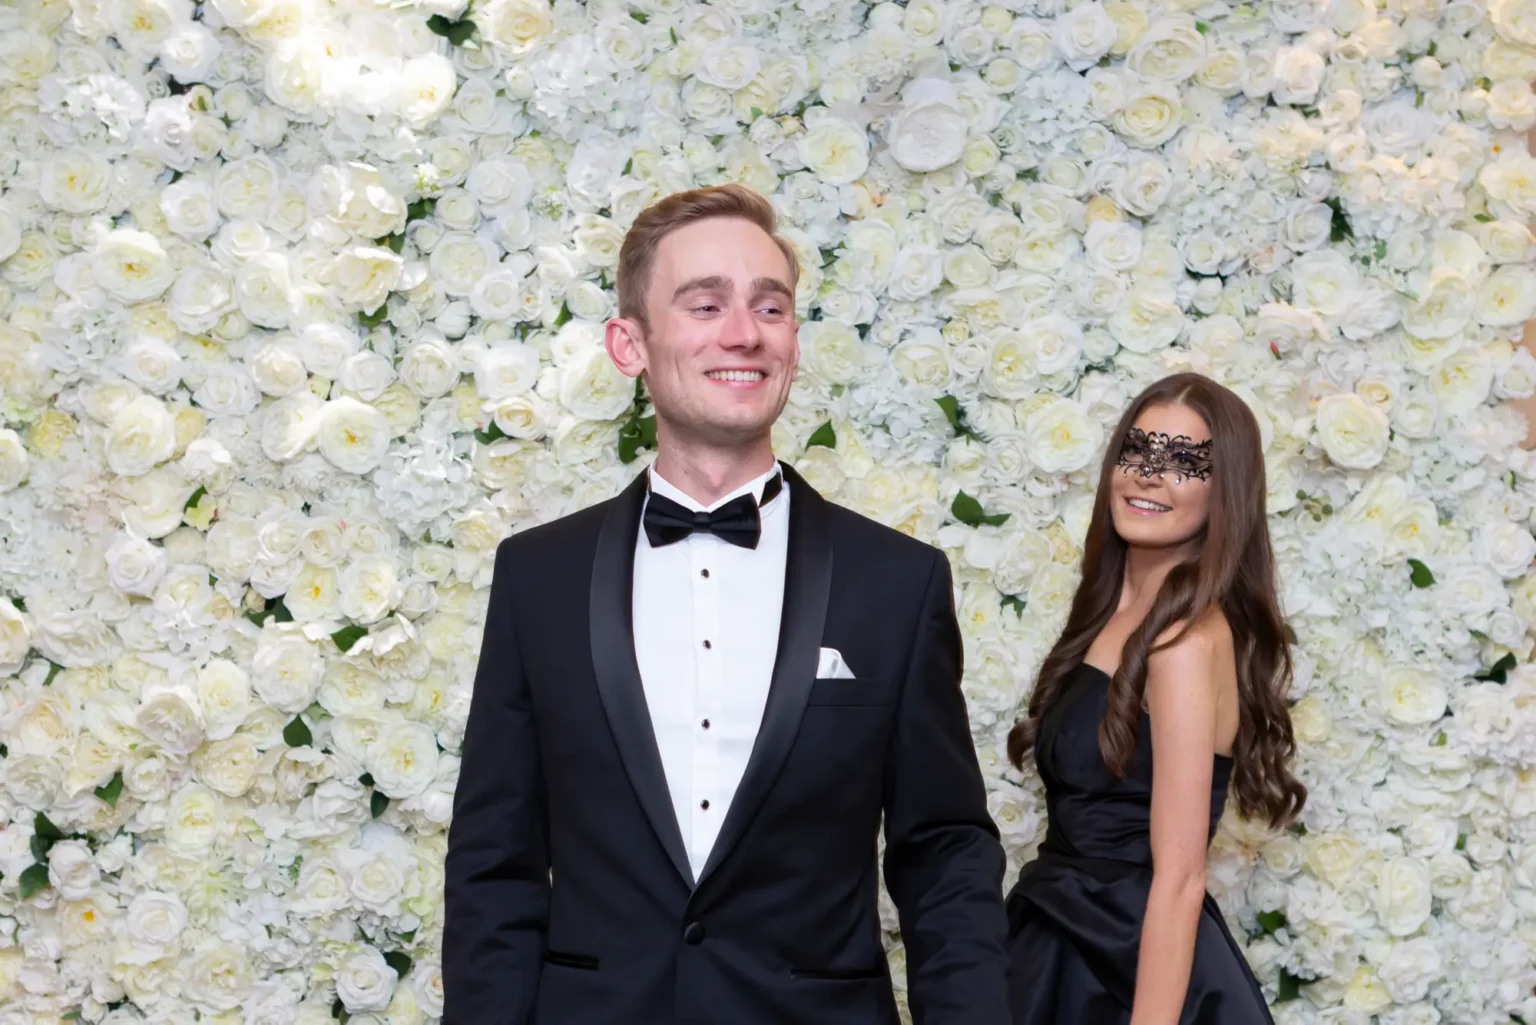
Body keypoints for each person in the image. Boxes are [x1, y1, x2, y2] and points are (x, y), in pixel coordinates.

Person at [443, 184, 1010, 1025]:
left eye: (769, 306)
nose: (743, 332)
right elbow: (495, 864)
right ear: (628, 344)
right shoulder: (538, 576)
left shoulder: (899, 581)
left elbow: (945, 855)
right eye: (704, 304)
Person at [1004, 372, 1307, 1025]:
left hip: (1135, 973)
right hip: (1057, 940)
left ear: (1224, 492)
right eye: (1137, 450)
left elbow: (1179, 879)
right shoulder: (1109, 610)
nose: (1148, 473)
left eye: (1183, 461)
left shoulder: (1186, 644)